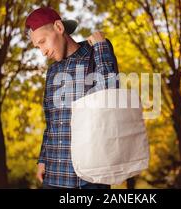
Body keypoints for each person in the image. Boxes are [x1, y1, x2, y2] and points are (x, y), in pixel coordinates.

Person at [25, 7, 118, 189]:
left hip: (90, 178)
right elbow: (51, 121)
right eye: (38, 47)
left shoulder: (94, 52)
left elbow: (111, 97)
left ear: (59, 27)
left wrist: (101, 46)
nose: (42, 52)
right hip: (53, 176)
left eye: (43, 42)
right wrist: (43, 159)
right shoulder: (52, 71)